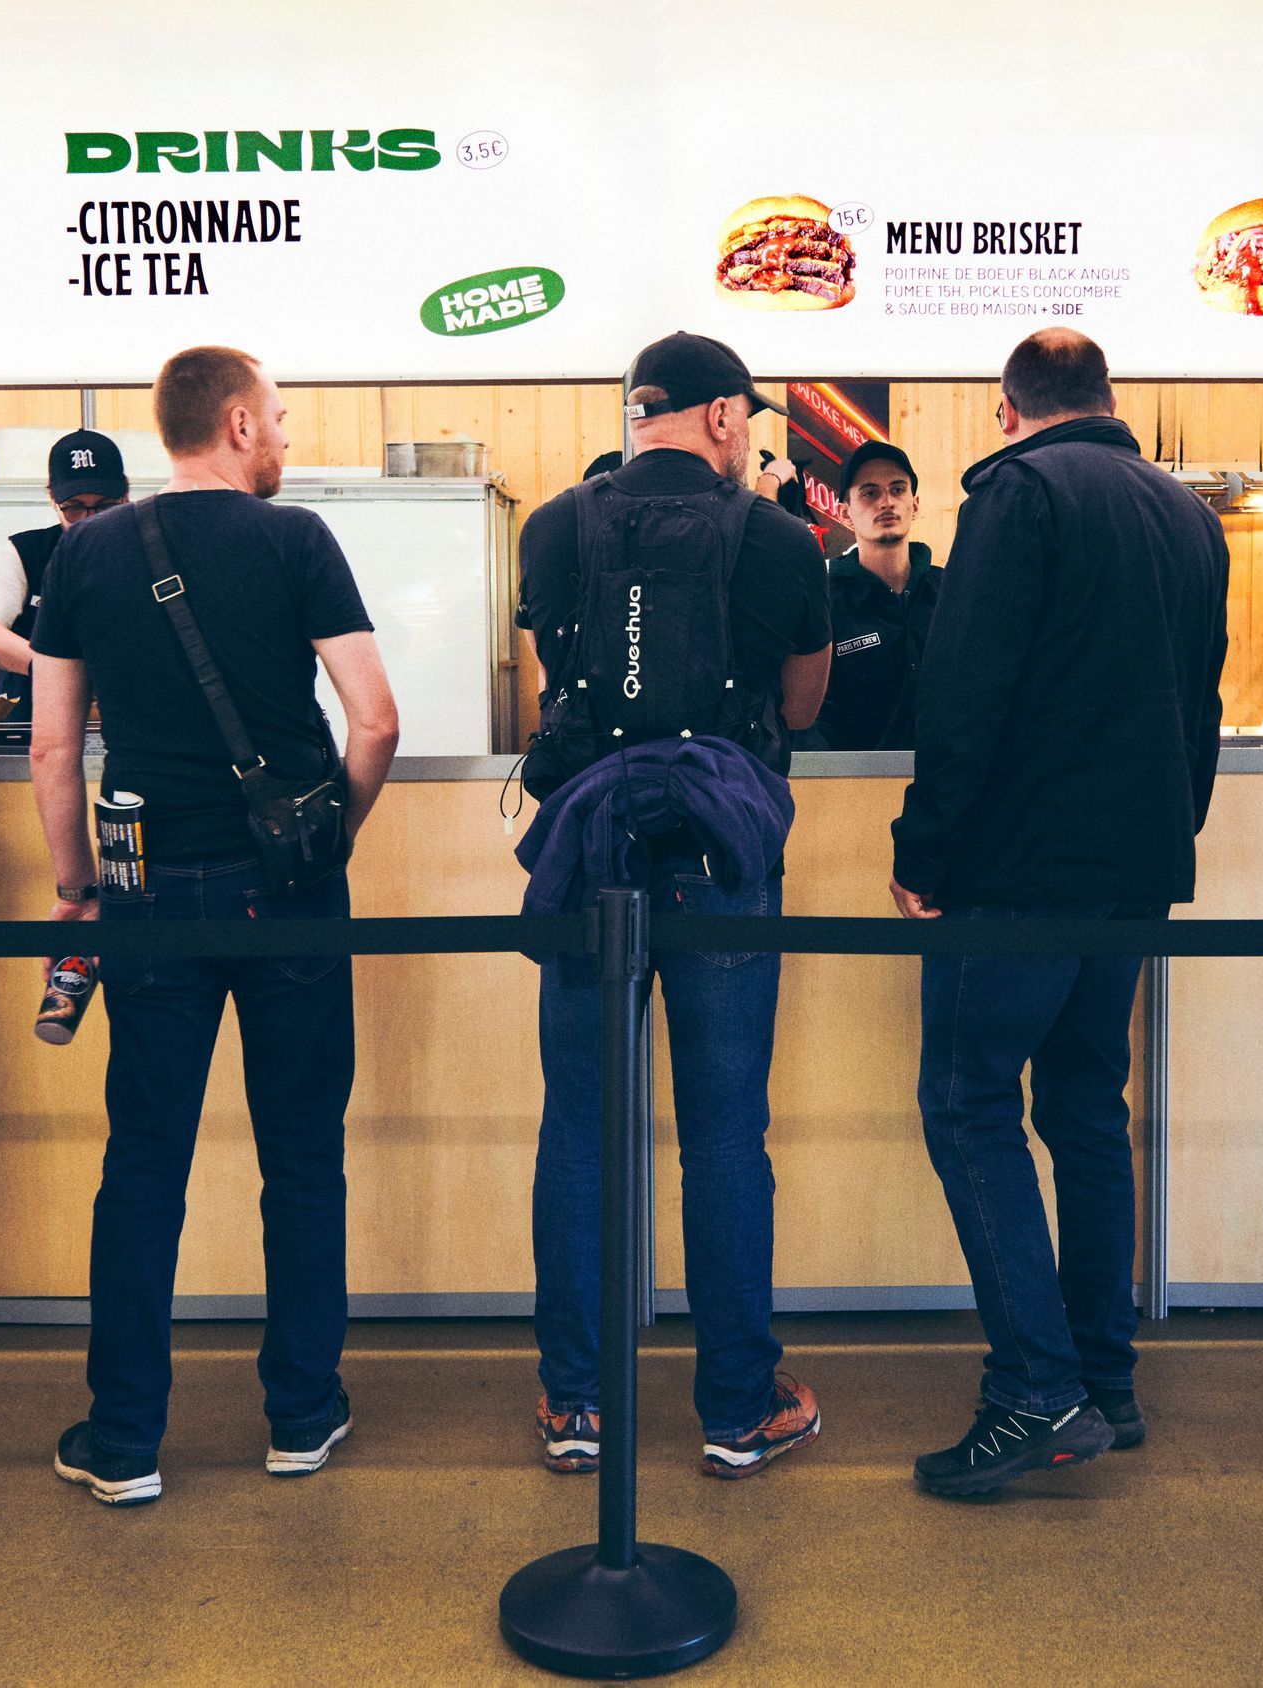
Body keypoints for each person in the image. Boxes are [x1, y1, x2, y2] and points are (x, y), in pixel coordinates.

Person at [27, 347, 400, 1506]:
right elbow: (376, 719)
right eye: (280, 418)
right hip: (289, 891)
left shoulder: (85, 551)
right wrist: (329, 836)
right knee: (302, 1155)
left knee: (143, 1162)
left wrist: (74, 884)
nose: (284, 437)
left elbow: (51, 743)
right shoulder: (296, 543)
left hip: (147, 892)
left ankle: (126, 1434)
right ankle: (301, 1410)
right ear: (238, 423)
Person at [889, 328, 1230, 1497]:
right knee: (1087, 1107)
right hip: (1135, 869)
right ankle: (1104, 1379)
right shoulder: (1187, 514)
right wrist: (1169, 835)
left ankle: (1035, 1389)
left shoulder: (1016, 494)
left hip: (1021, 869)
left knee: (967, 1100)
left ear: (1007, 408)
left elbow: (965, 686)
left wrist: (923, 846)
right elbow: (1204, 702)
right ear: (1109, 399)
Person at [514, 330, 831, 1481]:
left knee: (581, 1129)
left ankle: (576, 1405)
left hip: (591, 850)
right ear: (719, 418)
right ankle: (738, 1407)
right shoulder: (783, 538)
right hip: (723, 855)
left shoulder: (551, 527)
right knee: (724, 1134)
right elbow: (802, 697)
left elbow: (552, 671)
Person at [0, 429, 131, 719]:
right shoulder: (26, 553)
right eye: (74, 508)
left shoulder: (150, 552)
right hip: (34, 730)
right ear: (52, 498)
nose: (89, 520)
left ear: (126, 494)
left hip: (129, 734)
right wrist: (55, 668)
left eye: (104, 506)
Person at [810, 440, 941, 752]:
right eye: (870, 493)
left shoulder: (952, 592)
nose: (887, 502)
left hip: (948, 786)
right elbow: (812, 715)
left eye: (897, 490)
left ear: (916, 505)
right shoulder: (824, 601)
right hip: (853, 789)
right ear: (845, 514)